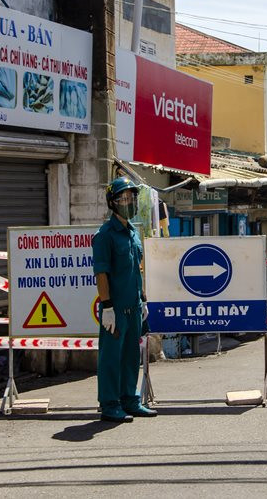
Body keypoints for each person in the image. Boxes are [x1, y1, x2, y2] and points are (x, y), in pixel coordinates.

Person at [92, 176, 157, 422]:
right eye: (124, 198)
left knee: (131, 357)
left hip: (133, 306)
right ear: (113, 202)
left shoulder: (133, 233)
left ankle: (130, 400)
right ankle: (110, 404)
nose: (129, 202)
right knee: (111, 358)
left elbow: (136, 269)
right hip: (115, 309)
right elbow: (101, 273)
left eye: (132, 198)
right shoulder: (105, 235)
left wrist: (142, 300)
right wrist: (106, 306)